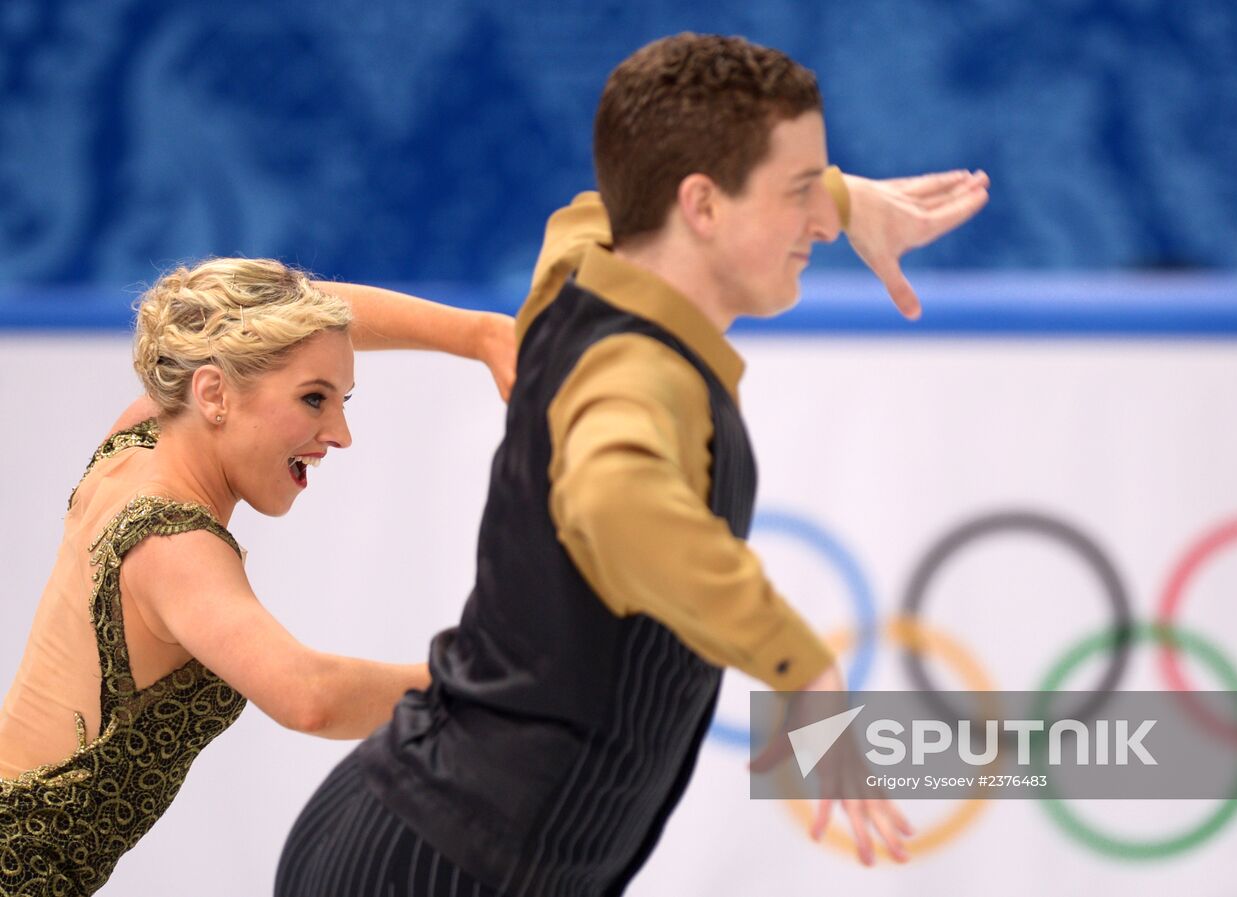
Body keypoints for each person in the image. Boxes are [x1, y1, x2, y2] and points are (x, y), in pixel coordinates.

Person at [275, 33, 990, 897]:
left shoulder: (578, 278)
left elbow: (594, 210)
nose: (815, 219)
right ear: (702, 205)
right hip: (447, 869)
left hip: (414, 841)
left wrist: (841, 198)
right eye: (798, 191)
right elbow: (617, 499)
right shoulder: (638, 373)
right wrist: (805, 669)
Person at [0, 257, 515, 897]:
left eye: (340, 399)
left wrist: (480, 336)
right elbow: (310, 696)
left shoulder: (140, 437)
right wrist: (498, 687)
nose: (341, 434)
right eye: (314, 399)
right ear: (214, 393)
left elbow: (286, 315)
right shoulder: (172, 542)